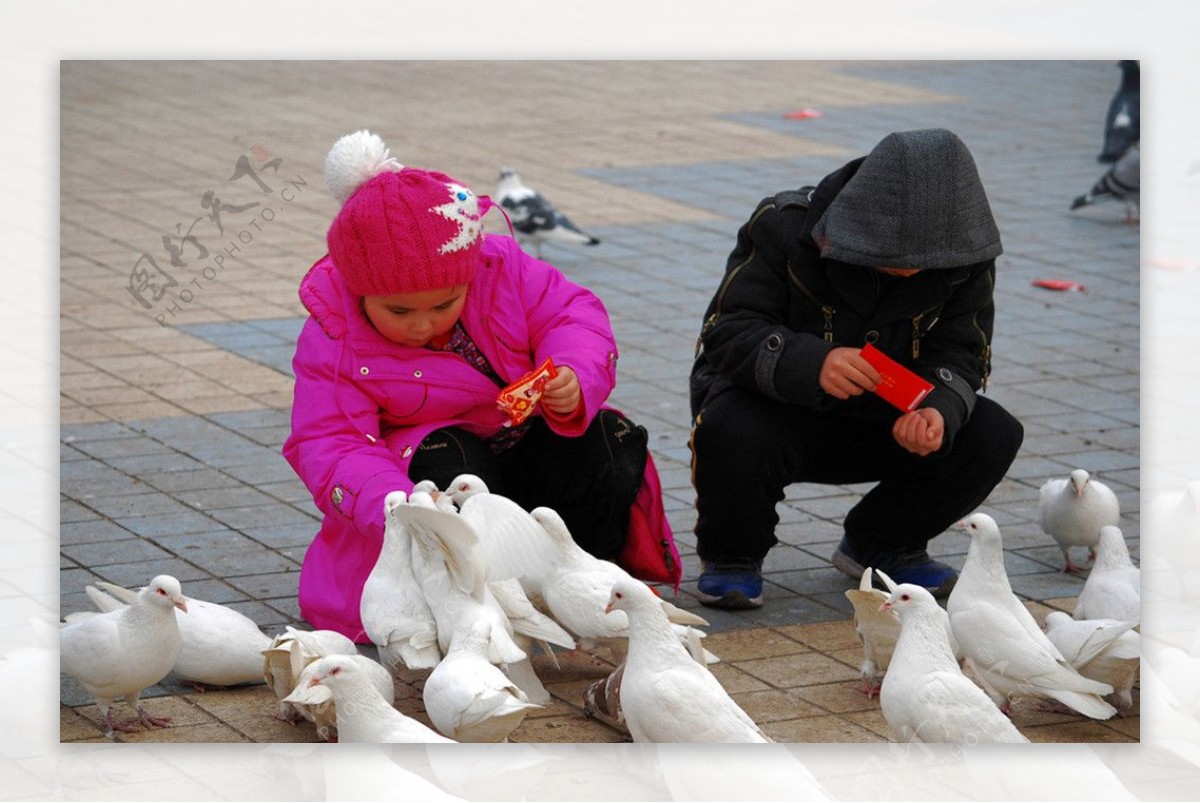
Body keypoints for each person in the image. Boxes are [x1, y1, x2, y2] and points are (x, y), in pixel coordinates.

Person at [283, 131, 675, 640]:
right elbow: (330, 442)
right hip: (437, 476)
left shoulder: (500, 268)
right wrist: (399, 506)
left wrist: (575, 375)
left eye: (444, 304)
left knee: (607, 439)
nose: (422, 324)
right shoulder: (334, 334)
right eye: (399, 311)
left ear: (469, 273)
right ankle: (473, 607)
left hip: (526, 453)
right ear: (359, 292)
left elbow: (572, 314)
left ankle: (580, 584)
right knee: (449, 460)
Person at [688, 128, 1024, 610]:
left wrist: (940, 409)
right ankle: (733, 557)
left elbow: (962, 352)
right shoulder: (784, 225)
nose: (911, 272)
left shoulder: (966, 254)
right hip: (777, 410)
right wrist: (809, 361)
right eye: (895, 258)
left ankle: (882, 542)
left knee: (992, 431)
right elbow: (725, 332)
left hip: (887, 421)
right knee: (730, 424)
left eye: (925, 263)